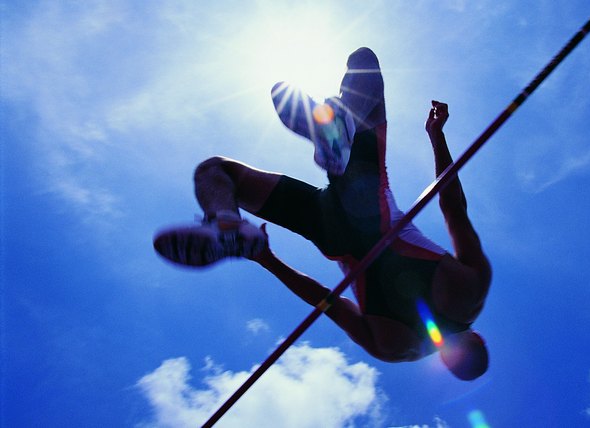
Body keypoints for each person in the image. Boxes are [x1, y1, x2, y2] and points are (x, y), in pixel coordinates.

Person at [154, 47, 492, 380]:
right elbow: (325, 301)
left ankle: (335, 135)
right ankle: (228, 226)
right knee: (214, 172)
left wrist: (437, 136)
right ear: (447, 364)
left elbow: (452, 206)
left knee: (364, 65)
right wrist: (266, 258)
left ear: (477, 337)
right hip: (327, 230)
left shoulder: (473, 293)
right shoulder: (392, 350)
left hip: (369, 207)